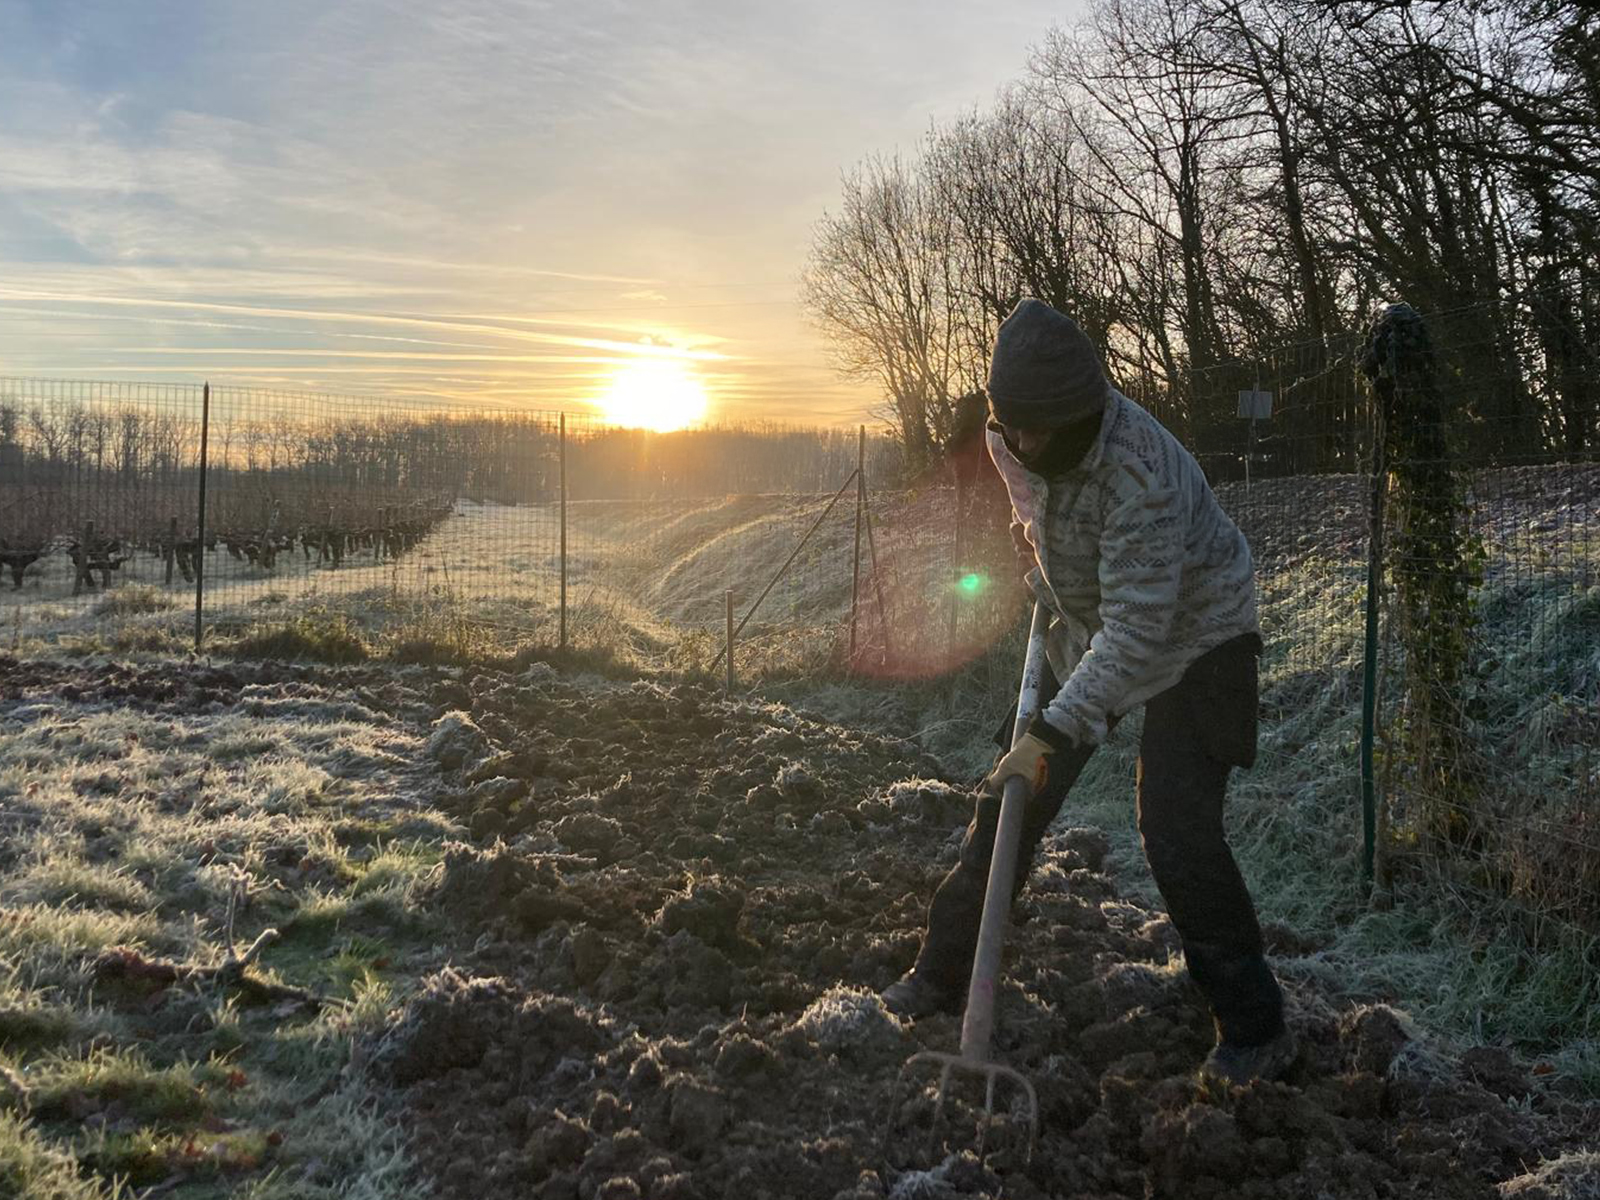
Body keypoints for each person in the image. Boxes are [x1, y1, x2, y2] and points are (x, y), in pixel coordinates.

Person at [880, 298, 1296, 1086]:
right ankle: (940, 975)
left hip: (1198, 634)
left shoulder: (1140, 471)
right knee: (1011, 798)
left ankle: (1255, 1026)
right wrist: (1040, 562)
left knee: (1175, 828)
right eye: (1012, 427)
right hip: (1089, 623)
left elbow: (1139, 631)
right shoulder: (1010, 433)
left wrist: (1051, 732)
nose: (1022, 445)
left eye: (1038, 431)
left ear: (1079, 413)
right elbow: (1034, 508)